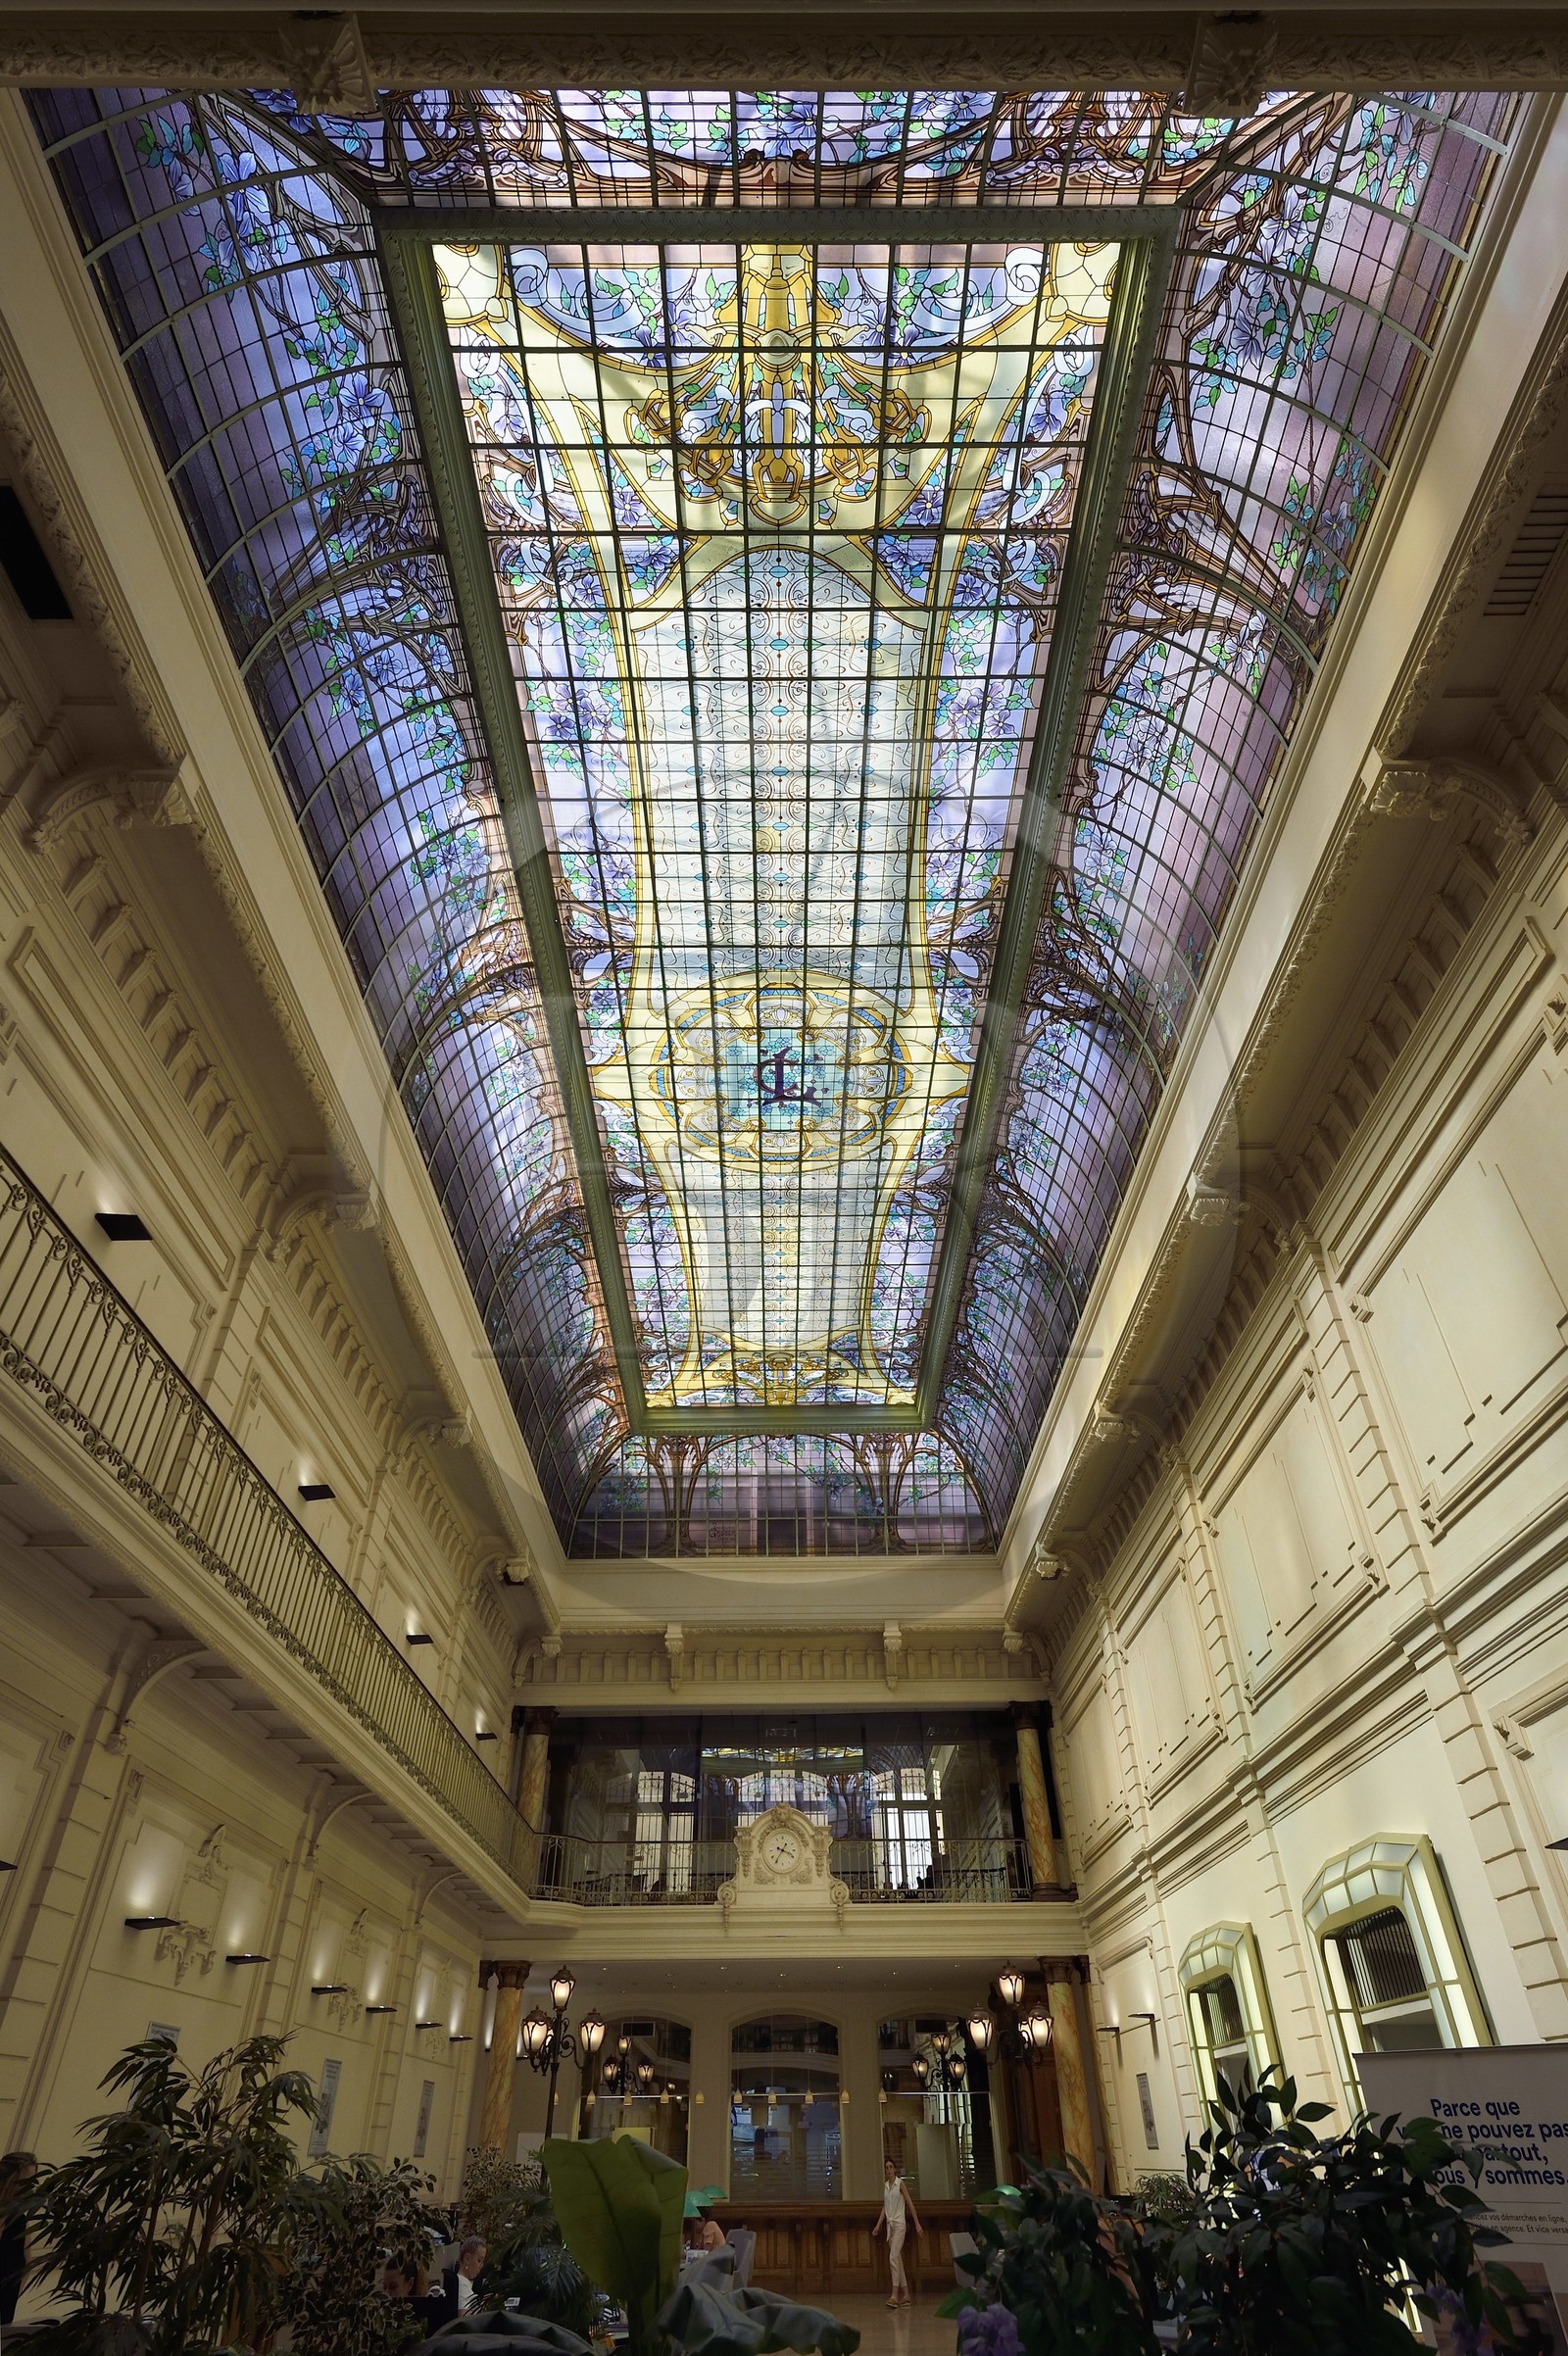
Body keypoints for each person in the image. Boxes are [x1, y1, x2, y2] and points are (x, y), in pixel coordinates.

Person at [871, 2156, 921, 2310]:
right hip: (890, 2227)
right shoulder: (886, 2186)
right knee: (897, 2260)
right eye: (886, 2167)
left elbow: (909, 2204)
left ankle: (894, 2294)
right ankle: (906, 2295)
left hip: (899, 2225)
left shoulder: (900, 2184)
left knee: (892, 2257)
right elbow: (885, 2208)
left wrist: (917, 2223)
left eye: (890, 2167)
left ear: (895, 2169)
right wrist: (878, 2225)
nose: (888, 2170)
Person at [0, 2151, 37, 2329]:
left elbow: (27, 2264)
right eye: (23, 2183)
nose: (29, 2190)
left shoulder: (19, 2220)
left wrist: (11, 2296)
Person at [435, 2236, 488, 2325]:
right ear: (467, 2258)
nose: (481, 2266)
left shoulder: (466, 2283)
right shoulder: (461, 2284)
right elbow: (463, 2320)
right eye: (479, 2260)